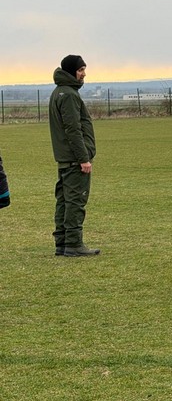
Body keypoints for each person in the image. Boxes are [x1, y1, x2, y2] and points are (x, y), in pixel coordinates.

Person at [48, 55, 100, 257]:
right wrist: (83, 158)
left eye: (84, 69)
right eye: (80, 70)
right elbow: (73, 129)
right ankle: (73, 244)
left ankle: (62, 242)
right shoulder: (69, 95)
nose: (84, 74)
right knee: (75, 201)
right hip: (74, 160)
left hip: (64, 159)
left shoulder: (58, 92)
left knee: (63, 201)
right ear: (71, 72)